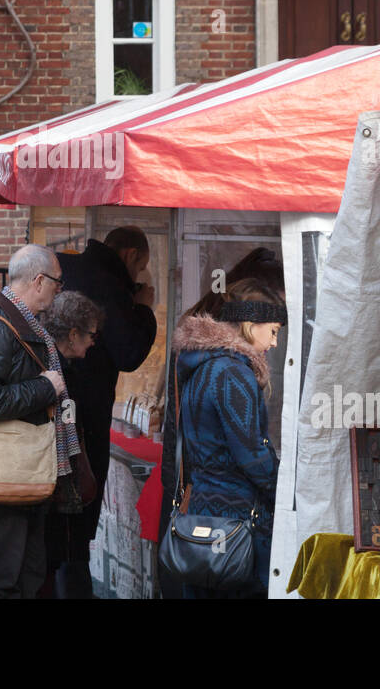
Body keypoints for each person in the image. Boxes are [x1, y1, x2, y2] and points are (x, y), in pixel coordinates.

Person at [158, 246, 284, 598]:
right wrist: (285, 493)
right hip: (235, 523)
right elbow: (250, 455)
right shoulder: (232, 372)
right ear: (250, 324)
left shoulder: (202, 364)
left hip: (201, 514)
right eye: (272, 331)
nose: (274, 343)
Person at [0, 244, 82, 599]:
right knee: (1, 577)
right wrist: (44, 387)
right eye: (58, 283)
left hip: (26, 468)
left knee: (26, 573)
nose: (60, 291)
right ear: (39, 280)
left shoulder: (20, 323)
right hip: (9, 470)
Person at [46, 227, 157, 598]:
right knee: (78, 505)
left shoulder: (65, 266)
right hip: (85, 414)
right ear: (129, 255)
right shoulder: (110, 284)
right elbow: (128, 353)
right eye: (141, 264)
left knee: (55, 514)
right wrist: (143, 307)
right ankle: (72, 585)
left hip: (54, 416)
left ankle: (57, 580)